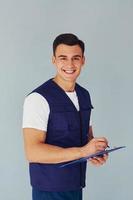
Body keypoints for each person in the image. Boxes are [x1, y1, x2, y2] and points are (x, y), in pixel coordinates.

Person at [22, 33, 108, 200]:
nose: (70, 64)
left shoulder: (84, 95)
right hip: (49, 191)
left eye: (75, 58)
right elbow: (33, 152)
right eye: (63, 58)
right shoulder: (38, 99)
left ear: (83, 60)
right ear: (53, 60)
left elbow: (86, 138)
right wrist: (83, 151)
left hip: (75, 186)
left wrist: (95, 151)